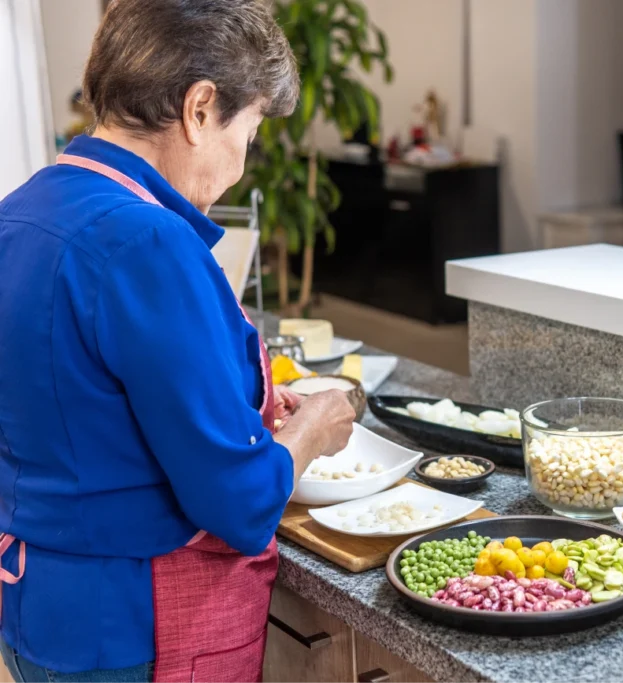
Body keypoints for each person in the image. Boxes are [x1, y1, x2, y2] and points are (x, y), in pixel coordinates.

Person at [0, 2, 356, 681]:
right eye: (248, 132)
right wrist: (311, 430)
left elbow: (85, 402)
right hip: (130, 629)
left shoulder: (21, 211)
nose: (240, 166)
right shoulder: (147, 241)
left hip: (34, 610)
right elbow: (241, 502)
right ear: (199, 108)